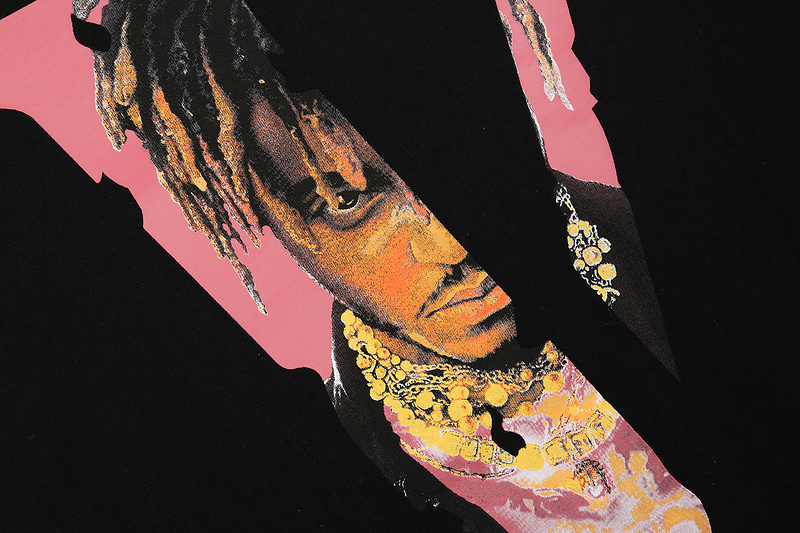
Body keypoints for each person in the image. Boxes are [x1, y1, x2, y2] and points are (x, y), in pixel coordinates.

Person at [75, 0, 711, 530]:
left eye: (441, 134)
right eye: (346, 201)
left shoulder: (684, 232)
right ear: (260, 214)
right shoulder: (341, 463)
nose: (449, 244)